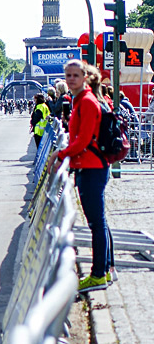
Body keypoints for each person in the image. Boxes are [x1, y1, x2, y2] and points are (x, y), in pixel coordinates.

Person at [49, 60, 113, 293]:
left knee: (97, 222)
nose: (71, 79)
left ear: (85, 77)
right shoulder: (81, 100)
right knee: (99, 221)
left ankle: (98, 274)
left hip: (92, 168)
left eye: (76, 75)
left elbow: (83, 140)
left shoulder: (86, 102)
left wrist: (61, 153)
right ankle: (105, 270)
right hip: (90, 166)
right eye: (68, 75)